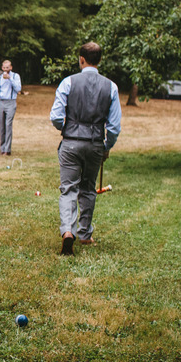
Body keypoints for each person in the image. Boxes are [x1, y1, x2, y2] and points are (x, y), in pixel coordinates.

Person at [49, 42, 122, 255]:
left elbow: (55, 116)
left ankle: (67, 231)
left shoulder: (68, 82)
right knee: (88, 188)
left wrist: (67, 129)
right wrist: (106, 146)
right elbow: (114, 126)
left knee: (68, 188)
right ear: (99, 60)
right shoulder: (111, 87)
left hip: (71, 142)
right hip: (95, 144)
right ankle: (85, 234)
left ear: (81, 59)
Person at [0, 60, 21, 156]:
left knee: (8, 124)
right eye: (4, 68)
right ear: (2, 68)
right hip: (2, 102)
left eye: (7, 68)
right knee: (2, 126)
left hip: (11, 102)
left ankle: (7, 150)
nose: (5, 70)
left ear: (11, 68)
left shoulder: (16, 76)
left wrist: (10, 79)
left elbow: (18, 89)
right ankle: (2, 148)